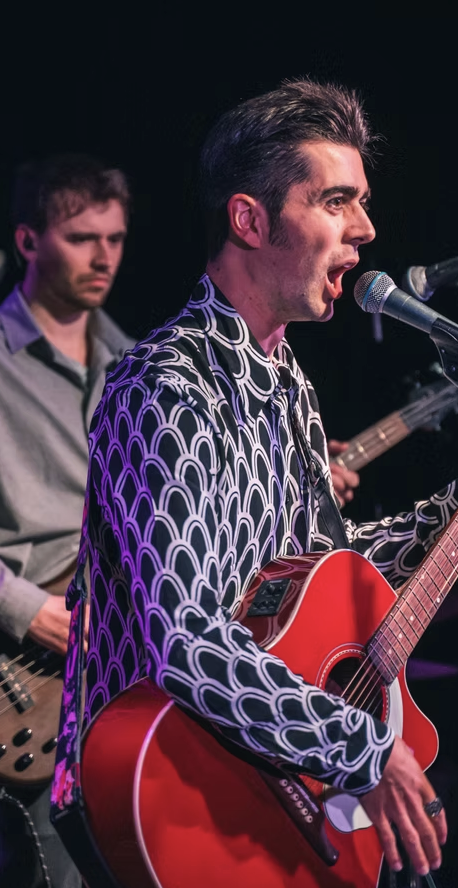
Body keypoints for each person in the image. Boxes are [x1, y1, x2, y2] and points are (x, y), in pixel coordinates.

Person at [78, 81, 458, 882]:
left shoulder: (286, 379)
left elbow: (326, 578)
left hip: (259, 778)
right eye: (335, 202)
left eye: (359, 203)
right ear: (251, 219)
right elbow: (186, 640)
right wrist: (364, 748)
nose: (365, 230)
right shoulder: (167, 387)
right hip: (161, 785)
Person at [0, 154, 133, 888]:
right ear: (29, 241)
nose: (104, 256)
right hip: (25, 674)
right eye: (84, 237)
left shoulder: (135, 364)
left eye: (115, 238)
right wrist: (27, 609)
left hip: (119, 668)